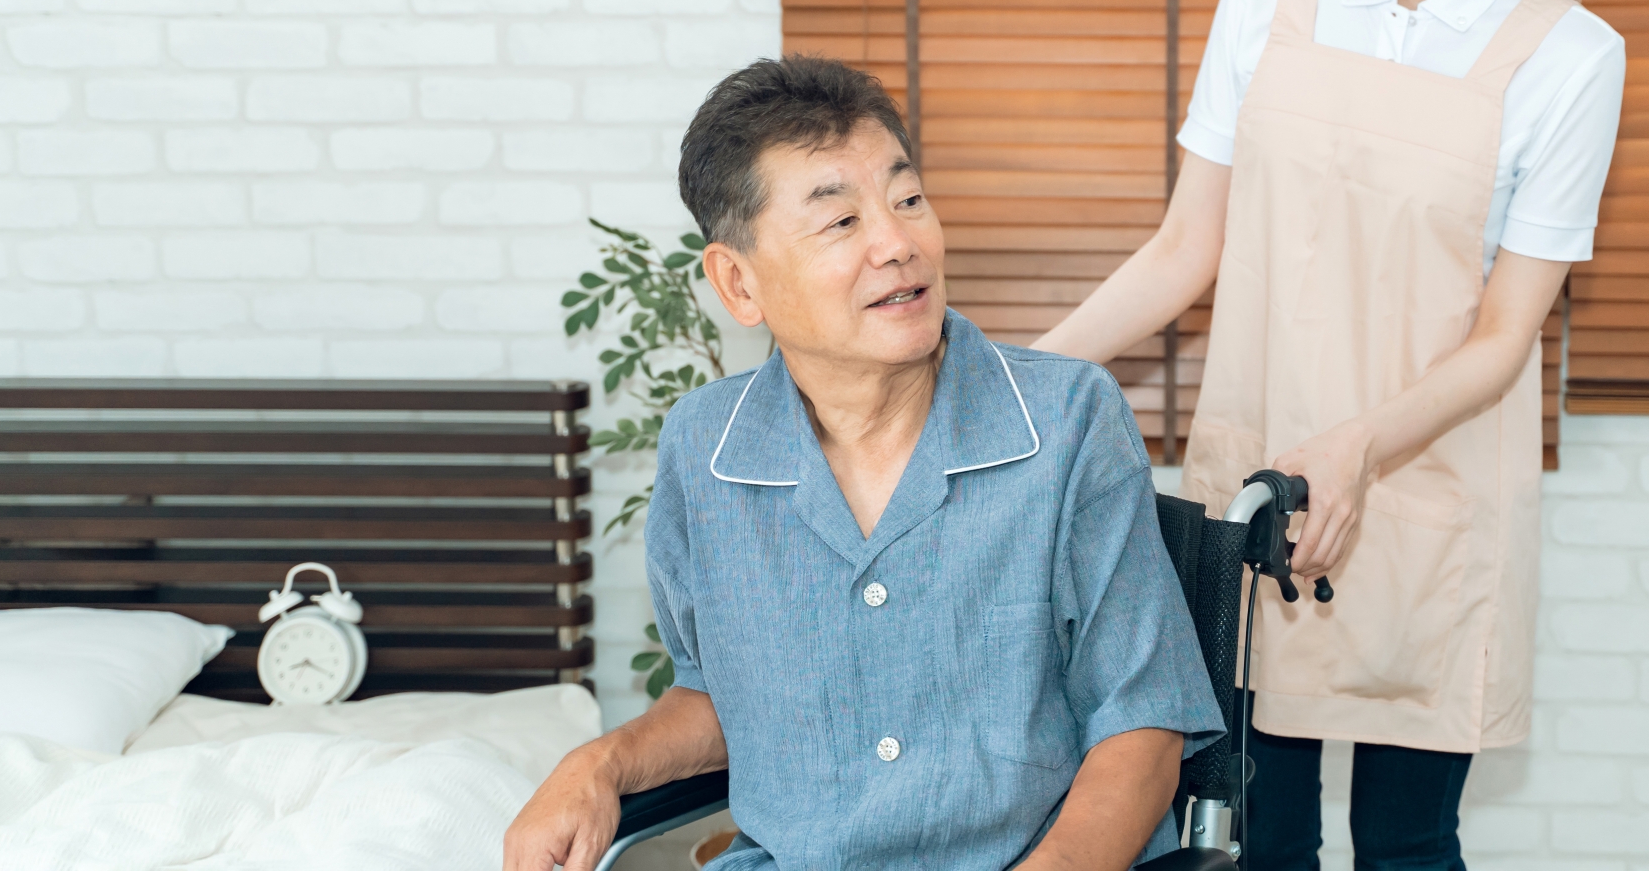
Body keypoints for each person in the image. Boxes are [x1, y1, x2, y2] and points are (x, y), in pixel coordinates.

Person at [1035, 0, 1627, 868]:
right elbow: (1183, 247)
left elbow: (1508, 335)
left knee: (1408, 838)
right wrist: (1005, 386)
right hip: (1257, 486)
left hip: (1432, 488)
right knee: (1252, 833)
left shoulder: (1568, 56)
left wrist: (1357, 444)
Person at [505, 56, 1224, 871]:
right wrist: (596, 763)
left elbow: (1143, 726)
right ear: (738, 284)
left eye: (908, 200)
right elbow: (717, 699)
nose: (898, 243)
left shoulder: (1067, 422)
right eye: (840, 222)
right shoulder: (704, 450)